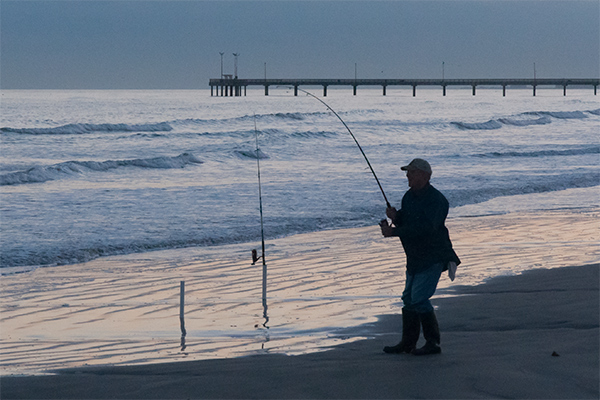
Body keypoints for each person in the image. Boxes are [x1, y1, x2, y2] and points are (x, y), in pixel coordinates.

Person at [379, 158, 460, 356]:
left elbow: (426, 229)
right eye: (408, 172)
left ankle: (433, 343)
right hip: (415, 257)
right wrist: (396, 218)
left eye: (412, 173)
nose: (407, 176)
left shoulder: (437, 200)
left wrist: (394, 233)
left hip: (433, 255)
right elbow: (407, 222)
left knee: (419, 298)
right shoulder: (409, 196)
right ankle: (408, 343)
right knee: (408, 298)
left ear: (424, 175)